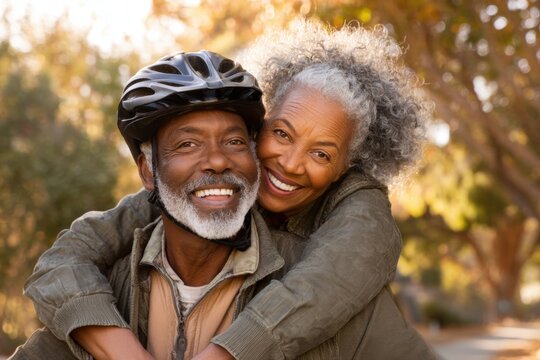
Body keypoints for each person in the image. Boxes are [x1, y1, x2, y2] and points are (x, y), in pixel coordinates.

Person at [17, 20, 433, 359]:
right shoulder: (122, 270)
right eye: (282, 135)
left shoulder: (356, 214)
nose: (290, 163)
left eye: (322, 155)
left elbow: (340, 274)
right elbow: (69, 255)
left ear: (345, 168)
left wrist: (230, 352)